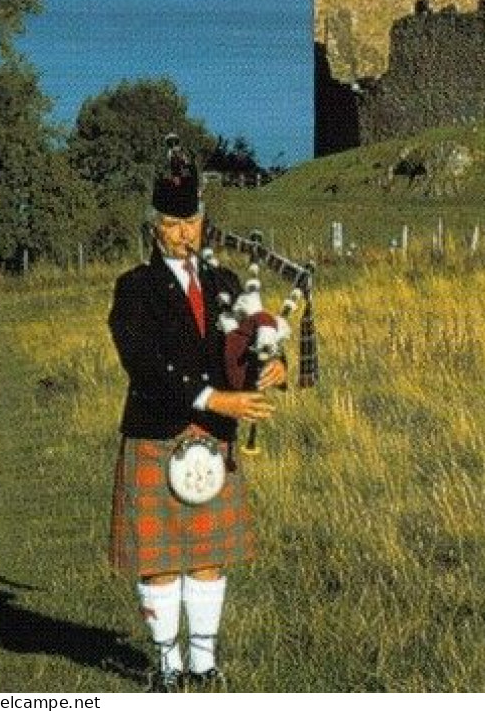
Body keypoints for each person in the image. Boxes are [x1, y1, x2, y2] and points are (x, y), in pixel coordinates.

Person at [107, 143, 284, 691]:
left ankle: (203, 668)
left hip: (214, 438)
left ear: (203, 221)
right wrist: (216, 400)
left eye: (192, 221)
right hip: (158, 433)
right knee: (159, 564)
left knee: (208, 560)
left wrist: (267, 365)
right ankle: (166, 670)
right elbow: (146, 366)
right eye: (172, 223)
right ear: (154, 225)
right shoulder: (134, 288)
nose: (184, 234)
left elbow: (240, 349)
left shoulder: (225, 283)